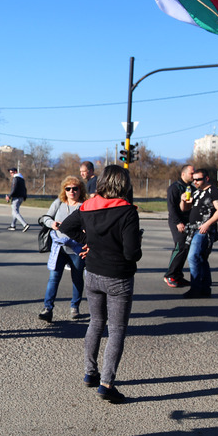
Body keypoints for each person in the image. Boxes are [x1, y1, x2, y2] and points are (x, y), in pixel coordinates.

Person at [59, 165, 142, 404]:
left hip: (92, 272)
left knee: (96, 322)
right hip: (118, 276)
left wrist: (89, 242)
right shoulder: (127, 211)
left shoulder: (88, 206)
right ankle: (107, 384)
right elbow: (132, 253)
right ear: (124, 185)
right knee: (116, 330)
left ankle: (90, 372)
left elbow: (66, 227)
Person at [38, 175, 87, 323]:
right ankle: (47, 308)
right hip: (59, 248)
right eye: (68, 189)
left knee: (77, 278)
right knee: (54, 278)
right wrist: (52, 223)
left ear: (80, 190)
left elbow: (89, 226)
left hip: (76, 249)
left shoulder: (83, 206)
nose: (71, 191)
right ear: (64, 190)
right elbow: (45, 218)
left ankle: (75, 306)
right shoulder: (59, 203)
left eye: (75, 188)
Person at [182, 168, 218, 298]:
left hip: (204, 230)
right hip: (193, 229)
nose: (195, 182)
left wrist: (207, 224)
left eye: (198, 179)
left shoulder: (215, 192)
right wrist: (183, 200)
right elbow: (185, 209)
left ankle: (196, 288)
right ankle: (205, 288)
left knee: (193, 257)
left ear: (206, 178)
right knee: (201, 259)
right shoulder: (196, 192)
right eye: (193, 179)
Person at [164, 164, 195, 288]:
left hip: (188, 221)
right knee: (180, 246)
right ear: (183, 174)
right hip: (177, 221)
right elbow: (171, 207)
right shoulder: (175, 188)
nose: (193, 176)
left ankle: (177, 275)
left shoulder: (190, 188)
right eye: (191, 173)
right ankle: (170, 274)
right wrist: (178, 222)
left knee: (185, 248)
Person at [6, 167, 30, 232]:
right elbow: (24, 189)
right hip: (21, 197)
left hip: (16, 197)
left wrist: (9, 196)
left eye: (12, 172)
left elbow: (14, 189)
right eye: (10, 173)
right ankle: (13, 225)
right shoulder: (22, 179)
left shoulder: (15, 179)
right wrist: (24, 196)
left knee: (15, 212)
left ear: (15, 172)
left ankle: (25, 224)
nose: (11, 174)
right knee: (15, 211)